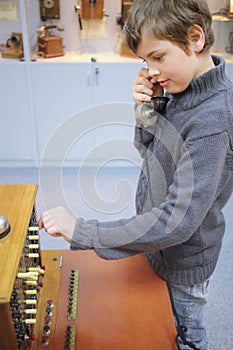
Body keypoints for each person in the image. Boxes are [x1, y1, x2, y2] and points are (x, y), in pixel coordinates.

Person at [38, 0, 233, 349]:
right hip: (156, 244)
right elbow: (149, 152)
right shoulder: (182, 89)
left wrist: (84, 230)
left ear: (195, 38)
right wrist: (148, 109)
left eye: (157, 57)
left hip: (182, 261)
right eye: (145, 61)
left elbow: (177, 221)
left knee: (188, 334)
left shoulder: (213, 119)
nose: (150, 71)